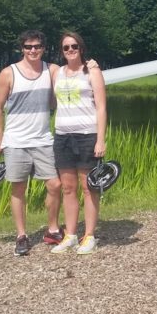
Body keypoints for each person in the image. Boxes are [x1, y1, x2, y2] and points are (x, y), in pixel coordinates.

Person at [0, 30, 64, 256]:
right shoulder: (8, 73)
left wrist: (90, 67)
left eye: (37, 46)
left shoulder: (51, 70)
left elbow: (74, 76)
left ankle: (52, 229)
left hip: (43, 139)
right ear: (21, 49)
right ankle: (21, 235)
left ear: (43, 48)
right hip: (16, 141)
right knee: (19, 188)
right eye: (28, 47)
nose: (33, 51)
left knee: (55, 185)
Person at [51, 31, 108, 255]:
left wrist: (100, 139)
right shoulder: (57, 73)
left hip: (87, 134)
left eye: (74, 46)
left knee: (88, 187)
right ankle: (71, 235)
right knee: (68, 188)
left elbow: (102, 107)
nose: (70, 50)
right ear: (62, 51)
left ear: (81, 48)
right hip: (63, 134)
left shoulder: (92, 71)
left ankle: (90, 236)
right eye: (66, 47)